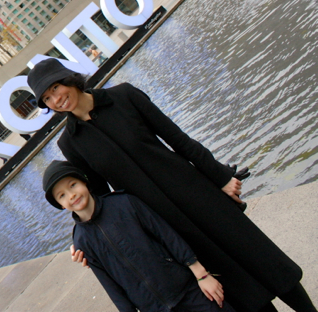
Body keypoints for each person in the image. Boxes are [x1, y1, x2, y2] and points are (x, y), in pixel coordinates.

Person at [27, 58, 316, 312]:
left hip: (199, 194)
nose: (56, 99)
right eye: (47, 99)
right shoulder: (71, 143)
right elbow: (101, 199)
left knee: (262, 260)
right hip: (165, 222)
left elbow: (177, 139)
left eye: (55, 88)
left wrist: (220, 177)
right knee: (237, 287)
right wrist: (88, 240)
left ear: (68, 80)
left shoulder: (124, 96)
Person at [44, 160, 234, 312]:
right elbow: (110, 285)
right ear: (60, 205)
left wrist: (201, 275)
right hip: (151, 307)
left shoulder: (124, 203)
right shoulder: (81, 241)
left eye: (73, 185)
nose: (71, 195)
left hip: (186, 289)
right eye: (62, 195)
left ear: (84, 181)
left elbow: (167, 235)